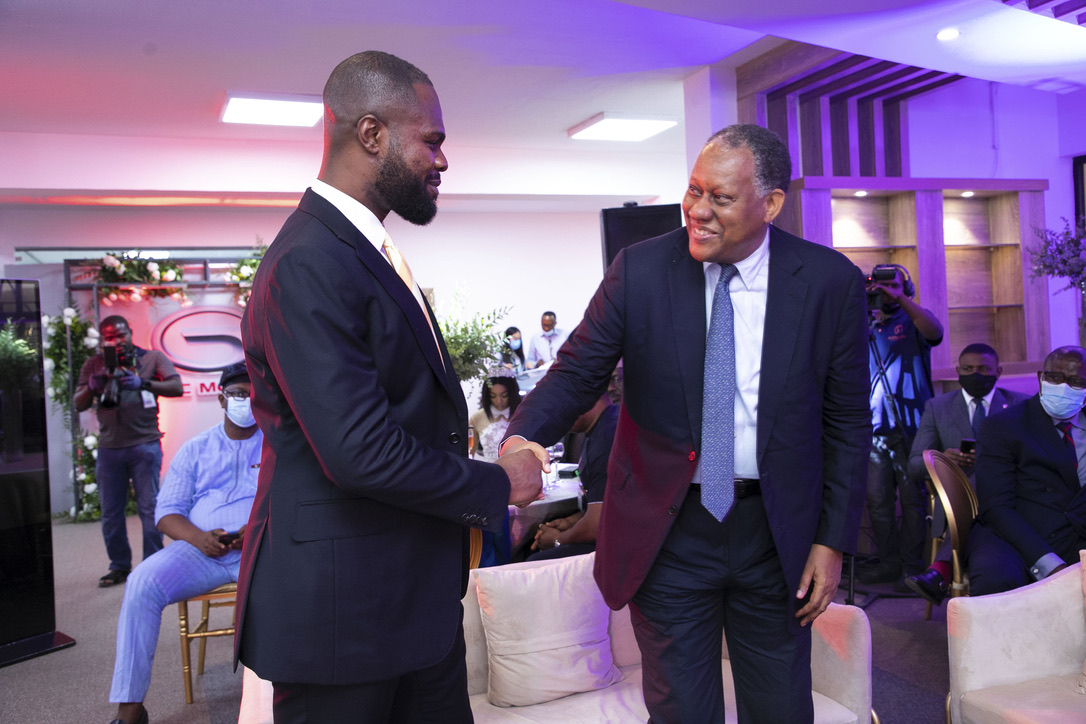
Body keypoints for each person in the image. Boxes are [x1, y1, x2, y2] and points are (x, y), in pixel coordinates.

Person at [503, 124, 871, 722]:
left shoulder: (829, 282)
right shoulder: (640, 270)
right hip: (667, 531)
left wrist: (831, 542)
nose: (698, 210)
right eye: (694, 190)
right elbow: (576, 373)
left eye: (720, 197)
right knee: (681, 712)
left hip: (776, 534)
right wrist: (521, 439)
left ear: (771, 204)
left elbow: (847, 422)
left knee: (781, 708)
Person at [234, 51, 545, 724]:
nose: (442, 159)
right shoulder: (309, 261)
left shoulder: (363, 250)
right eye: (431, 140)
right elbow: (360, 452)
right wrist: (498, 483)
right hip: (341, 620)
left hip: (408, 602)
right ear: (371, 134)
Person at [106, 363, 259, 724]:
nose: (245, 401)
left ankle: (283, 693)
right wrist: (198, 538)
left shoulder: (278, 446)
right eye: (238, 394)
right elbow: (166, 513)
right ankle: (129, 710)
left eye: (253, 394)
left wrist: (255, 530)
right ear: (221, 399)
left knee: (302, 580)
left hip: (260, 550)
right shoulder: (196, 449)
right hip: (200, 551)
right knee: (142, 583)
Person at [903, 343, 1029, 605]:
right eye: (968, 369)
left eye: (983, 369)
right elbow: (914, 465)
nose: (975, 374)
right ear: (958, 371)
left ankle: (941, 569)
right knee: (979, 479)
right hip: (955, 502)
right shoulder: (938, 407)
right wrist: (943, 460)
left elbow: (1032, 458)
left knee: (987, 475)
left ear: (998, 371)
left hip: (1010, 498)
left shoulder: (1020, 404)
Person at [967, 346, 1086, 596]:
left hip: (1078, 533)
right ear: (1041, 378)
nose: (1063, 387)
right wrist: (1049, 563)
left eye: (1076, 381)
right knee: (995, 578)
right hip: (1019, 534)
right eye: (1055, 377)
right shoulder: (1002, 426)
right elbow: (996, 506)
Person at [75, 314, 183, 588]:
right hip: (109, 449)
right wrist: (92, 387)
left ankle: (152, 566)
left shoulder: (151, 358)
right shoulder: (93, 364)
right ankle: (119, 566)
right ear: (102, 340)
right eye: (108, 337)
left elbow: (176, 386)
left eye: (120, 335)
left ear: (130, 333)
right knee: (111, 513)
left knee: (149, 509)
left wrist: (143, 383)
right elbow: (77, 403)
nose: (115, 341)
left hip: (144, 446)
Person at [861, 264, 943, 585]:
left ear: (906, 288)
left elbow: (935, 332)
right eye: (878, 284)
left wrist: (901, 299)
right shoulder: (863, 322)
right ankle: (888, 564)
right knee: (877, 501)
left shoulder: (913, 319)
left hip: (911, 426)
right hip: (873, 429)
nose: (885, 291)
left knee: (912, 501)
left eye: (893, 285)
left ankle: (912, 567)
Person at [528, 393, 617, 561]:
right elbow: (606, 505)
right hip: (609, 535)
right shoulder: (600, 428)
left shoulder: (607, 437)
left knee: (532, 563)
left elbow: (597, 525)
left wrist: (557, 540)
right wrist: (571, 522)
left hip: (617, 547)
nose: (556, 418)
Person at [469, 376, 520, 462]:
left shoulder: (521, 415)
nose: (499, 401)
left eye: (504, 396)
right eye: (493, 396)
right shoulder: (477, 417)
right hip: (490, 467)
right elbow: (470, 453)